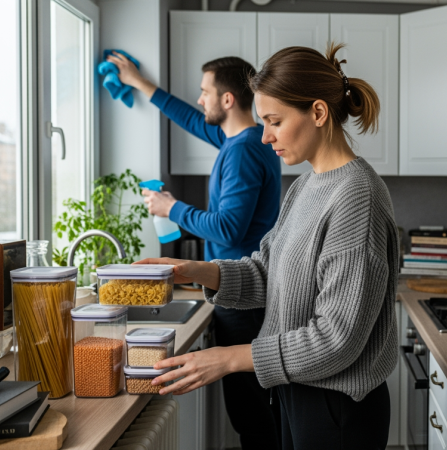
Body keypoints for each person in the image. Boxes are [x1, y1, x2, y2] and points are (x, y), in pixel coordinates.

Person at [134, 42, 399, 450]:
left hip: (338, 407)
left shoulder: (355, 197)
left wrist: (229, 359)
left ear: (318, 112)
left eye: (274, 121)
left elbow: (336, 338)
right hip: (299, 390)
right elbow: (268, 270)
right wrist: (199, 271)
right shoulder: (307, 185)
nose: (265, 136)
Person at [106, 53, 282, 449]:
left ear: (227, 100)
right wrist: (139, 82)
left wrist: (172, 208)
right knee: (256, 410)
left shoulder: (242, 152)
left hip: (243, 296)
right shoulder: (242, 139)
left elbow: (228, 227)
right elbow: (188, 117)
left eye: (205, 92)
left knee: (251, 414)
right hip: (243, 289)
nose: (200, 100)